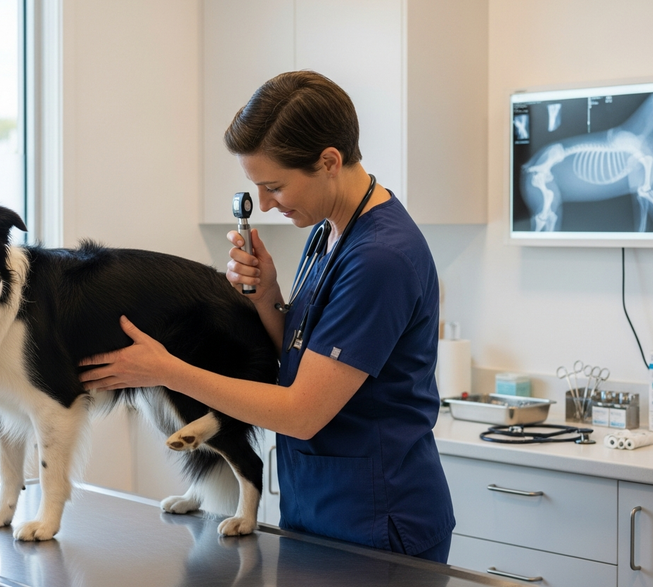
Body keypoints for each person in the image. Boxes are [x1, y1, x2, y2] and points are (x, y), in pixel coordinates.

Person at [79, 70, 455, 562]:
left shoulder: (379, 258)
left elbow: (301, 411)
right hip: (319, 503)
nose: (267, 204)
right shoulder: (329, 233)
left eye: (275, 186)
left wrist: (167, 370)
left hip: (377, 517)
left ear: (328, 162)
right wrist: (269, 299)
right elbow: (300, 361)